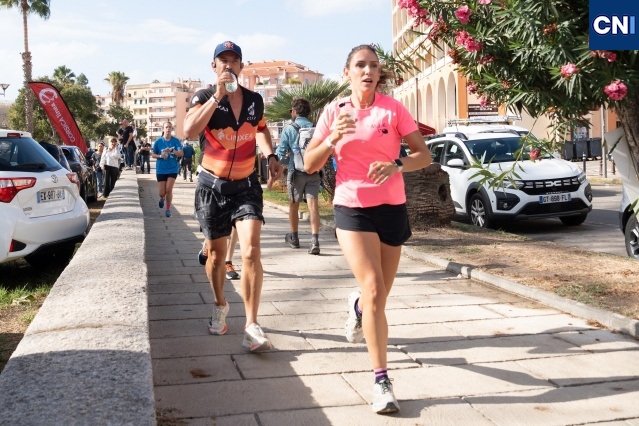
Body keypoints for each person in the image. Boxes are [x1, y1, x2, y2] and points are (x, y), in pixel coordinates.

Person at [303, 44, 432, 414]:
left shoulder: (393, 109)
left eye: (374, 65)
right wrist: (331, 138)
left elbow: (423, 155)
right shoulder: (334, 111)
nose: (368, 71)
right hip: (352, 207)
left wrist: (396, 164)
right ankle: (382, 381)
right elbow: (310, 164)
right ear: (347, 72)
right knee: (374, 287)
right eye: (360, 65)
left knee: (377, 298)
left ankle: (357, 306)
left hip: (391, 207)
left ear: (379, 73)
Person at [183, 40, 283, 352]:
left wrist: (270, 155)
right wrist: (217, 96)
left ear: (241, 65)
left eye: (234, 60)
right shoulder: (203, 97)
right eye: (222, 60)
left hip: (246, 185)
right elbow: (189, 131)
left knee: (251, 250)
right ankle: (219, 304)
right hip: (211, 187)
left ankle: (252, 325)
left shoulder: (254, 100)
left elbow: (261, 129)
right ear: (214, 66)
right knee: (216, 255)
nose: (228, 65)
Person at [276, 98, 322, 255]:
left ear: (295, 111)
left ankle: (294, 238)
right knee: (313, 205)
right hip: (314, 171)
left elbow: (281, 152)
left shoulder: (289, 129)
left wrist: (277, 165)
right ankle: (315, 240)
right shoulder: (316, 128)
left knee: (293, 204)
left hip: (295, 172)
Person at [151, 122, 183, 217]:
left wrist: (172, 150)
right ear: (163, 129)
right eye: (166, 127)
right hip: (161, 169)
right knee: (162, 193)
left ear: (172, 129)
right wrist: (161, 156)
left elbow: (181, 153)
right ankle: (162, 198)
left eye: (170, 127)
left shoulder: (176, 141)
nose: (168, 129)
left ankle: (168, 209)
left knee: (169, 189)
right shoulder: (158, 141)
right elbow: (153, 154)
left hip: (172, 169)